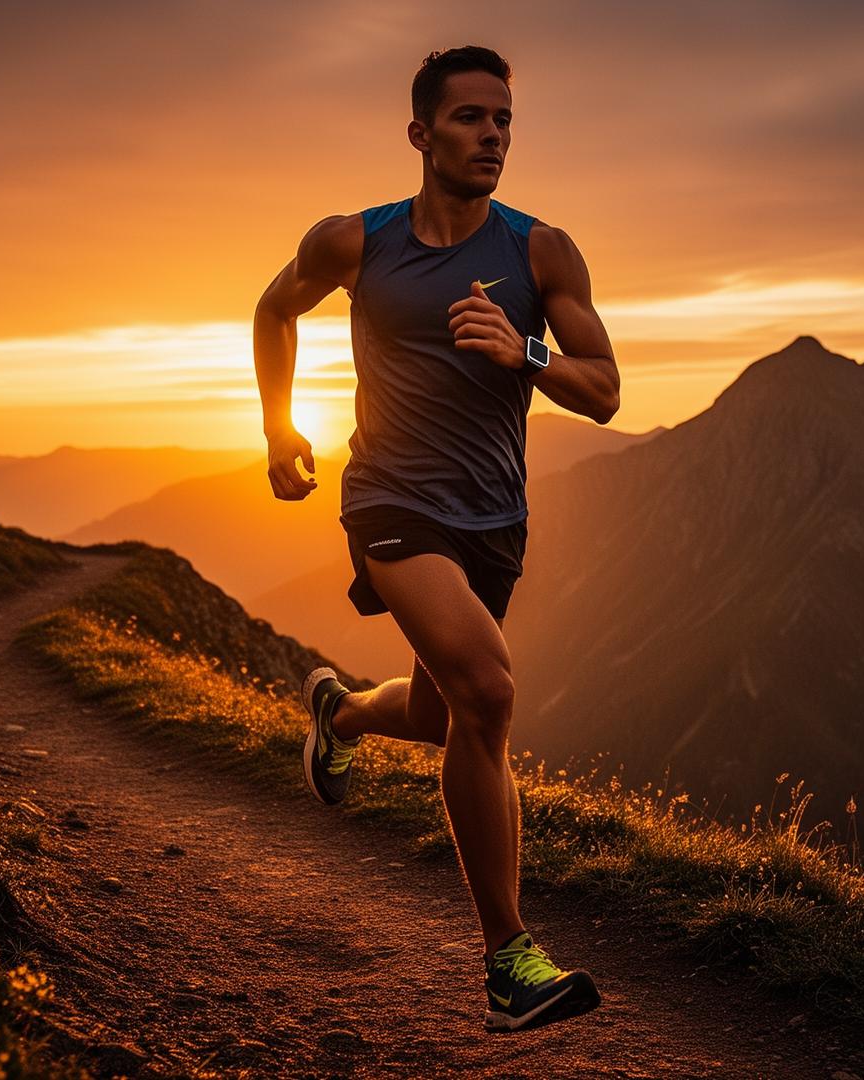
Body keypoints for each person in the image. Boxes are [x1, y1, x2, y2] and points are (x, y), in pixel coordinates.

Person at [251, 44, 621, 1033]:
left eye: (503, 119)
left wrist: (525, 348)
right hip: (391, 503)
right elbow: (273, 308)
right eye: (469, 118)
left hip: (494, 520)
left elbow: (604, 387)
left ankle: (340, 713)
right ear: (421, 133)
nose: (491, 135)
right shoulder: (355, 242)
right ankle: (509, 959)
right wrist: (279, 427)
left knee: (441, 712)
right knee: (489, 694)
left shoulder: (543, 253)